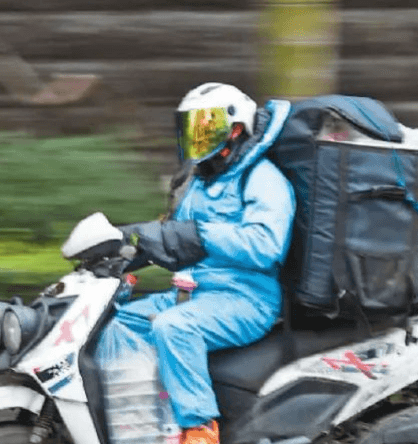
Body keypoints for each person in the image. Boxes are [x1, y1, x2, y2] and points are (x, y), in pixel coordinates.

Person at [111, 83, 296, 444]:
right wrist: (126, 250)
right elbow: (175, 238)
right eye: (191, 126)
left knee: (174, 327)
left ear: (236, 129)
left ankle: (200, 428)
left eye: (206, 126)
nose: (196, 135)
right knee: (118, 324)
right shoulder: (197, 182)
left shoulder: (263, 178)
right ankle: (139, 423)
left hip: (246, 299)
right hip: (192, 293)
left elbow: (267, 245)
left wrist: (200, 234)